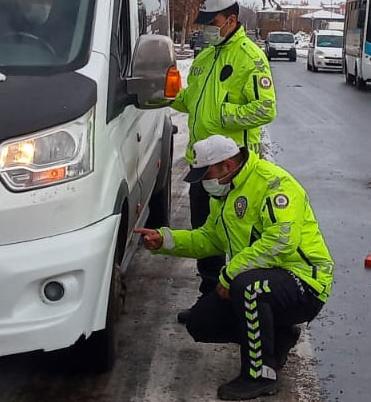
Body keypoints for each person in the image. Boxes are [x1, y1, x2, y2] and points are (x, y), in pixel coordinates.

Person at [134, 135, 334, 400]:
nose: (205, 182)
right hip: (265, 279)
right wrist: (165, 239)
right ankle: (278, 335)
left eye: (207, 174)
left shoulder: (274, 184)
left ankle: (260, 375)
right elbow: (209, 238)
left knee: (246, 287)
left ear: (227, 165)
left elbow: (282, 241)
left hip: (304, 282)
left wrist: (230, 273)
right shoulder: (226, 194)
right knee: (200, 322)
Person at [171, 0, 278, 319]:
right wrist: (163, 93)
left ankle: (249, 308)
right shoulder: (205, 57)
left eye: (211, 21)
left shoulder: (250, 58)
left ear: (231, 19)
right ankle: (210, 305)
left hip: (234, 169)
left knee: (239, 237)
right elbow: (190, 102)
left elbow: (267, 108)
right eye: (202, 22)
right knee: (206, 234)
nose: (205, 27)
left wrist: (224, 114)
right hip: (203, 165)